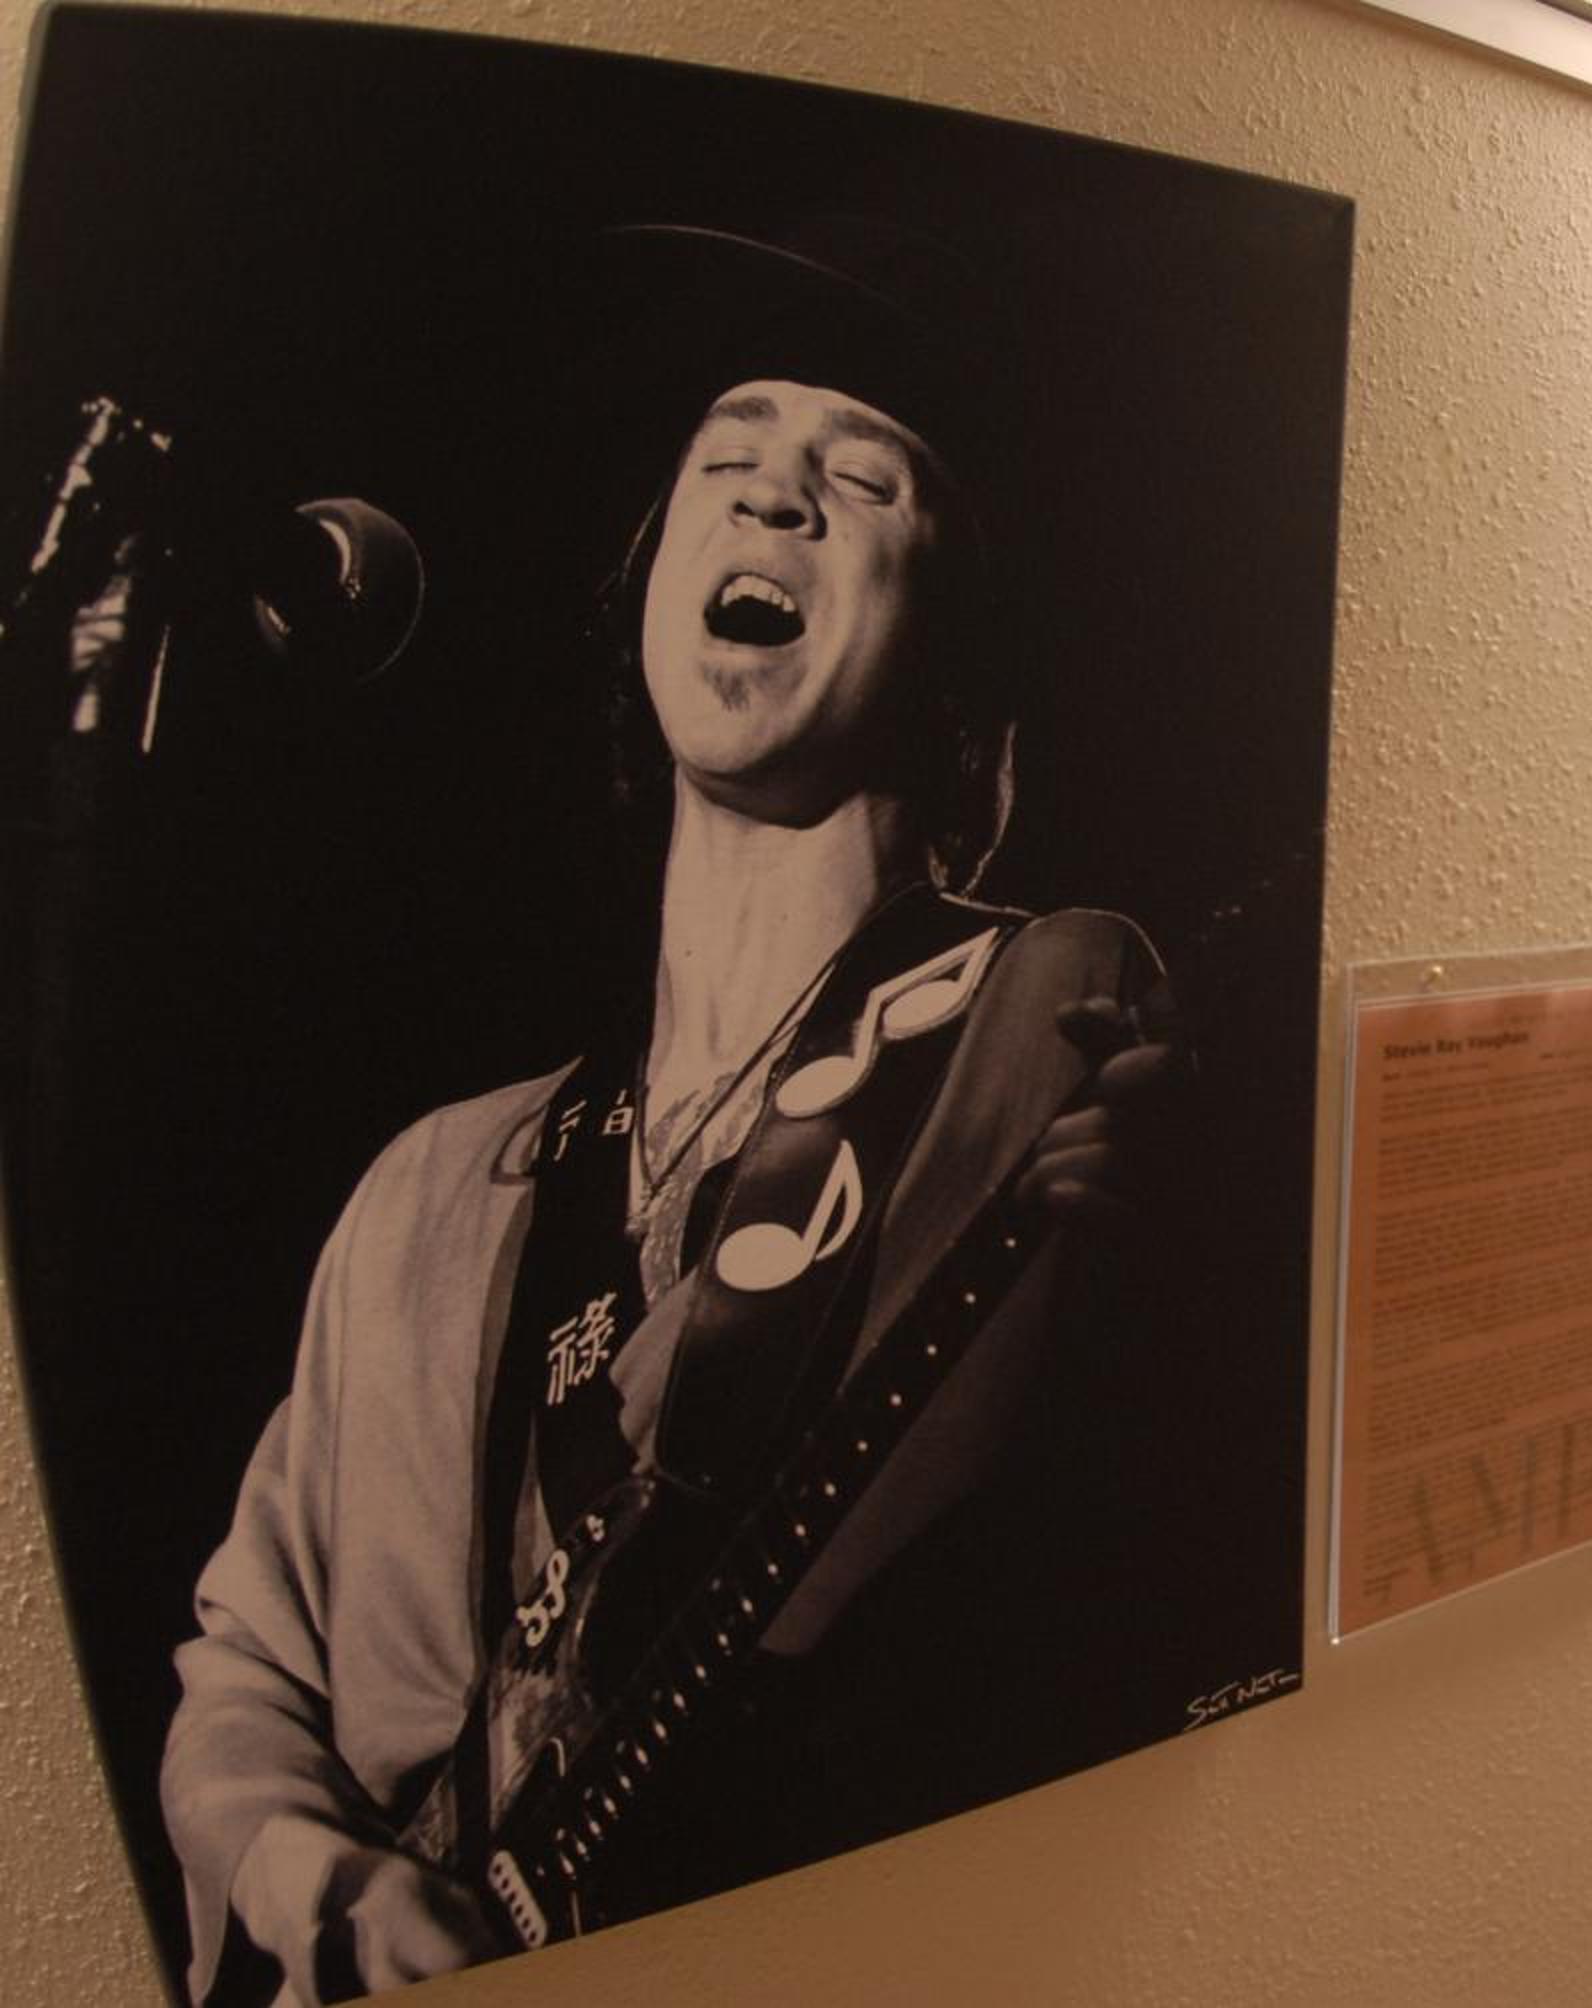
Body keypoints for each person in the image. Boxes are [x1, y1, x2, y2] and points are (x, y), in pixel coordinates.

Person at [157, 227, 1182, 2001]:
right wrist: (322, 1880)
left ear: (951, 647)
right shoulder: (429, 1189)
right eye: (727, 460)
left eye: (862, 481)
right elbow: (248, 1663)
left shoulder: (1029, 1014)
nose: (776, 494)